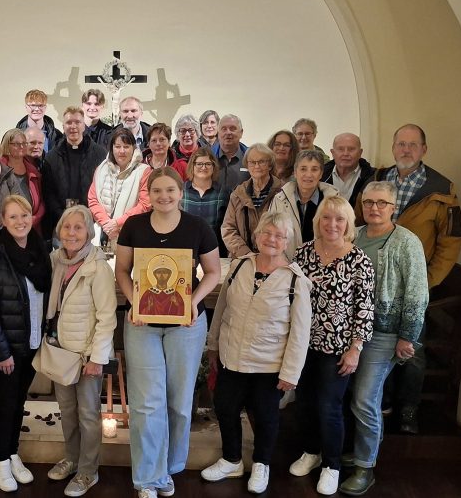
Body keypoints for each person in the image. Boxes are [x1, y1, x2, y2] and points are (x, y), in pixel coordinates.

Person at [114, 167, 221, 498]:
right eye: (157, 190)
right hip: (142, 325)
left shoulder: (197, 227)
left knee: (179, 402)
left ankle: (169, 468)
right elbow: (122, 270)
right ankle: (148, 478)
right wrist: (134, 303)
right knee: (146, 403)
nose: (164, 196)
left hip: (186, 326)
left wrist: (192, 302)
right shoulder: (134, 226)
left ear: (180, 192)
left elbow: (213, 272)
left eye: (170, 190)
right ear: (148, 194)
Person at [354, 123, 461, 434]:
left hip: (415, 284)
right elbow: (359, 221)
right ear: (393, 147)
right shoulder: (376, 179)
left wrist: (425, 281)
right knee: (375, 346)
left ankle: (409, 408)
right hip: (374, 285)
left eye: (413, 144)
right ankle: (383, 402)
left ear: (423, 149)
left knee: (412, 350)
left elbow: (451, 242)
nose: (406, 149)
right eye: (401, 144)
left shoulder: (442, 189)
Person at [202, 211, 312, 494]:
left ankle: (262, 463)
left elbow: (300, 333)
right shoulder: (240, 266)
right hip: (232, 357)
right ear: (257, 235)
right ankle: (232, 460)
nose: (272, 239)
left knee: (265, 416)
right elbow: (222, 307)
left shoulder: (295, 280)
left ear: (287, 241)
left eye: (279, 236)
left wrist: (291, 373)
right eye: (267, 233)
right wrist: (213, 344)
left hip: (269, 364)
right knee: (225, 408)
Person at [339, 182, 428, 496]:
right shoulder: (354, 236)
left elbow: (417, 293)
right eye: (368, 202)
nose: (374, 208)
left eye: (382, 203)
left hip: (385, 333)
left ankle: (365, 467)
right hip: (351, 331)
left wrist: (408, 336)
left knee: (365, 398)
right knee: (356, 396)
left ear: (394, 207)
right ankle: (363, 451)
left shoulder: (406, 242)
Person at [289, 196, 374, 496]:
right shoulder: (303, 253)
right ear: (318, 221)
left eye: (339, 219)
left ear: (348, 224)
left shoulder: (359, 260)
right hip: (302, 344)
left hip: (337, 348)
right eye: (326, 217)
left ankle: (332, 465)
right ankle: (311, 452)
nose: (332, 224)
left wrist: (356, 349)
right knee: (304, 402)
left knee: (329, 407)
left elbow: (365, 309)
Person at [0, 195, 52, 492]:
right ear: (3, 221)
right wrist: (1, 352)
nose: (20, 221)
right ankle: (0, 461)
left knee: (19, 402)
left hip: (31, 343)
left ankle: (12, 453)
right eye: (13, 217)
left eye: (24, 215)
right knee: (6, 405)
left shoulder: (39, 250)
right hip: (6, 348)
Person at [45, 206, 117, 497]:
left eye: (78, 227)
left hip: (86, 355)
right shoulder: (55, 261)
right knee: (67, 410)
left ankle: (88, 471)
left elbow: (107, 317)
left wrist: (97, 358)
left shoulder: (97, 268)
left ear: (89, 232)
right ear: (59, 231)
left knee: (88, 414)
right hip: (61, 352)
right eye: (67, 227)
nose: (72, 233)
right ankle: (72, 458)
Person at [42, 107, 107, 236]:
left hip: (91, 221)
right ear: (63, 126)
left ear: (84, 126)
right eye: (68, 122)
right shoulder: (52, 157)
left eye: (77, 122)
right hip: (61, 221)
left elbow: (105, 188)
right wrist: (62, 215)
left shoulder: (100, 154)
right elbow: (48, 192)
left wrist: (92, 215)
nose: (73, 126)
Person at [268, 149, 339, 258]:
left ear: (321, 174)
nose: (308, 174)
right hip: (286, 263)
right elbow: (271, 235)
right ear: (295, 172)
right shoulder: (279, 200)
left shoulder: (334, 200)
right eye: (303, 169)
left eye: (314, 169)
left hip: (323, 263)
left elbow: (342, 236)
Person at [87, 127, 151, 246]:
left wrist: (117, 223)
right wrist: (107, 224)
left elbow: (144, 204)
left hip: (131, 233)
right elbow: (93, 199)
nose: (122, 151)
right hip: (103, 232)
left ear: (133, 148)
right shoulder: (101, 169)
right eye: (117, 146)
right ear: (112, 148)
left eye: (126, 146)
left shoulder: (144, 171)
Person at [221, 143, 284, 259]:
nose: (256, 166)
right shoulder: (238, 194)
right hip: (243, 258)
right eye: (252, 162)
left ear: (270, 165)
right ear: (247, 165)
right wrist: (246, 254)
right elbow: (228, 229)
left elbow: (287, 230)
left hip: (274, 258)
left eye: (261, 161)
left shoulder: (282, 192)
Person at [181, 147, 228, 257]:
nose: (203, 167)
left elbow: (227, 226)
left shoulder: (224, 192)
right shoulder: (181, 191)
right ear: (192, 166)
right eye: (199, 164)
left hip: (215, 251)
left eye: (208, 164)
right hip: (186, 251)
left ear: (213, 166)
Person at [0, 128, 46, 235]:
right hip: (7, 228)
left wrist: (33, 219)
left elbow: (41, 201)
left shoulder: (33, 171)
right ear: (7, 145)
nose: (21, 147)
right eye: (16, 144)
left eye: (24, 143)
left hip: (32, 227)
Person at [321, 132, 374, 207]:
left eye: (351, 149)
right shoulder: (320, 176)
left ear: (360, 153)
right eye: (340, 149)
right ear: (333, 153)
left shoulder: (372, 177)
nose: (345, 153)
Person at [212, 114, 250, 191]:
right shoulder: (208, 157)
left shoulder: (250, 158)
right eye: (224, 129)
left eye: (233, 129)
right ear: (218, 133)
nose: (228, 132)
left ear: (241, 133)